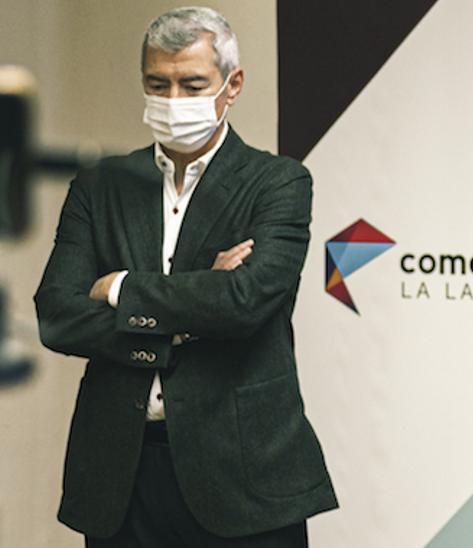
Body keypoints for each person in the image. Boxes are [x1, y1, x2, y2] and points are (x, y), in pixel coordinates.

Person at [34, 7, 336, 546]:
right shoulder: (100, 185)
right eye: (158, 84)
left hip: (245, 477)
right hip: (121, 479)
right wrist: (189, 315)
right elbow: (56, 315)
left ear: (232, 83)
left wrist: (121, 288)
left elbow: (243, 302)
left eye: (192, 84)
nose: (173, 102)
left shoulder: (278, 183)